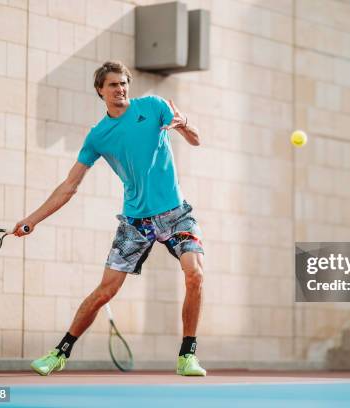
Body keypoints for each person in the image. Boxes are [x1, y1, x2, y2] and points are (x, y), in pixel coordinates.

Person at [14, 60, 206, 376]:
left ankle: (188, 355)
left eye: (123, 83)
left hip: (176, 213)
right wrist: (32, 219)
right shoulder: (98, 136)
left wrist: (184, 123)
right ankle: (59, 353)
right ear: (100, 91)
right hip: (135, 222)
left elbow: (196, 139)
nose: (120, 89)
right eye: (113, 85)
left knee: (195, 273)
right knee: (106, 291)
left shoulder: (154, 106)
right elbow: (69, 186)